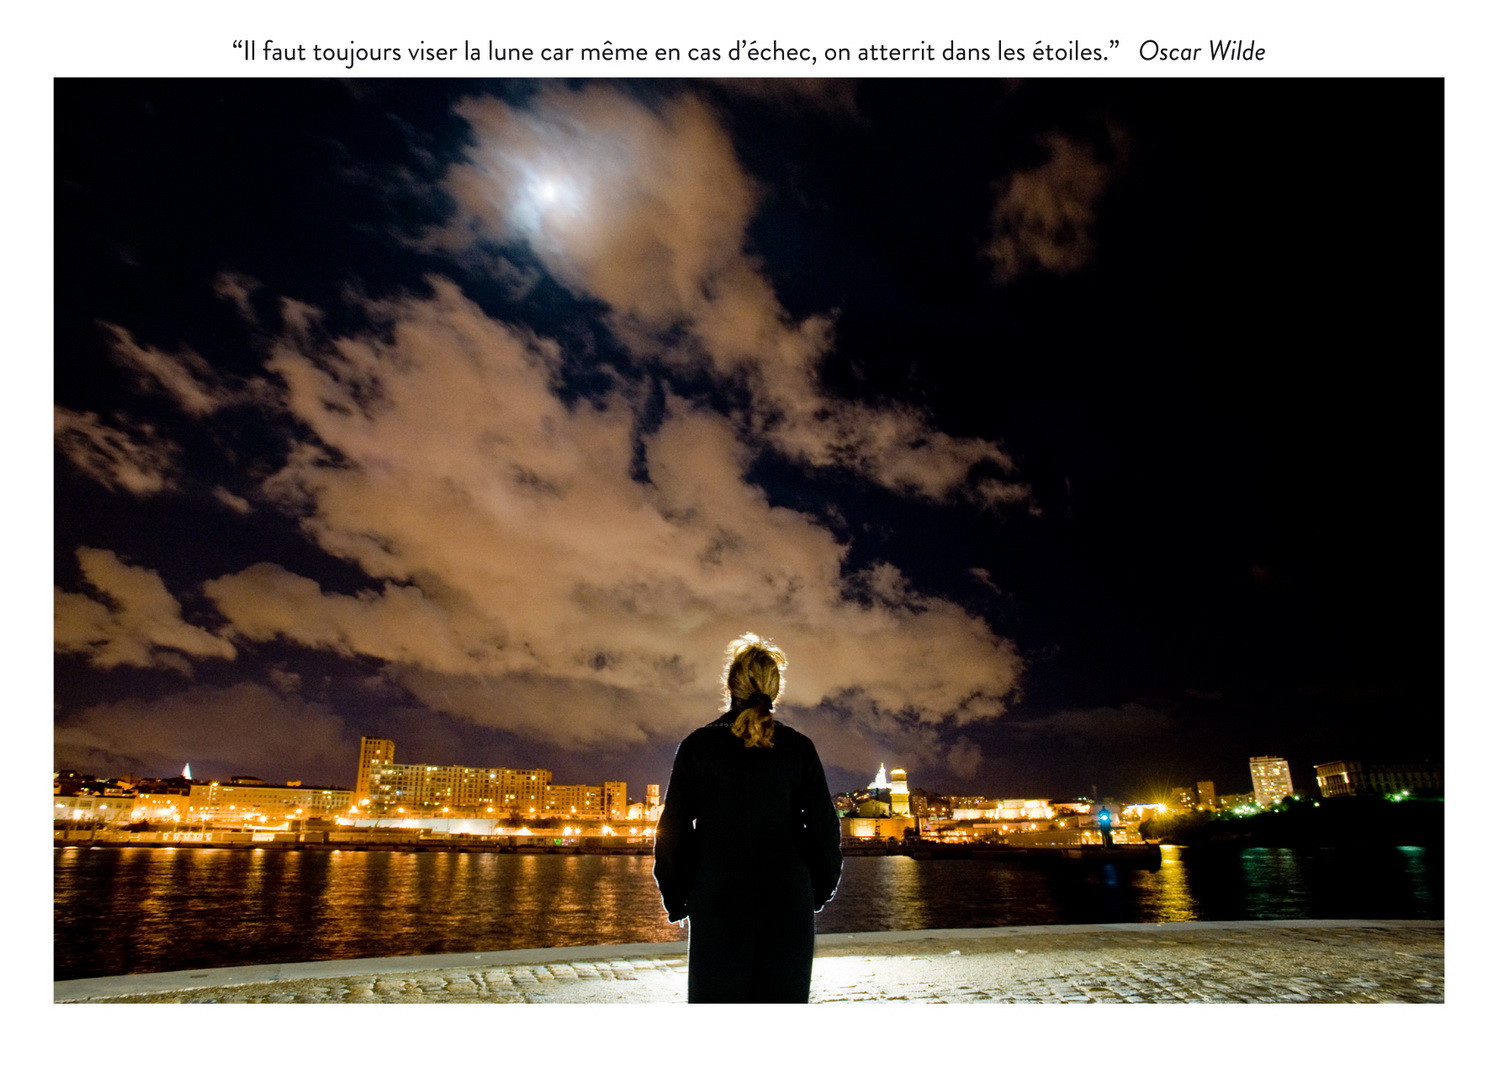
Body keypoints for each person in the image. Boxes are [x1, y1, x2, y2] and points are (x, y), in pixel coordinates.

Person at [653, 633, 843, 1003]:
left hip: (718, 895)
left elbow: (672, 830)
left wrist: (678, 899)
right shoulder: (799, 748)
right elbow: (825, 829)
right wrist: (816, 892)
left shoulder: (698, 745)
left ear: (730, 686)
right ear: (775, 689)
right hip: (787, 896)